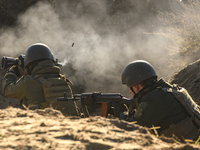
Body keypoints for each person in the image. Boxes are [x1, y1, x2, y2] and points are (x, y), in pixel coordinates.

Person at [120, 60, 200, 140]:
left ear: (136, 86)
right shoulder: (170, 90)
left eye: (130, 88)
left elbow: (134, 127)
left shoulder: (155, 99)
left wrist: (121, 114)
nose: (130, 92)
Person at [2, 43, 80, 116]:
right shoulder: (62, 79)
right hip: (66, 121)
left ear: (30, 65)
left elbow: (7, 90)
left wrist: (11, 73)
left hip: (42, 122)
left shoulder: (28, 82)